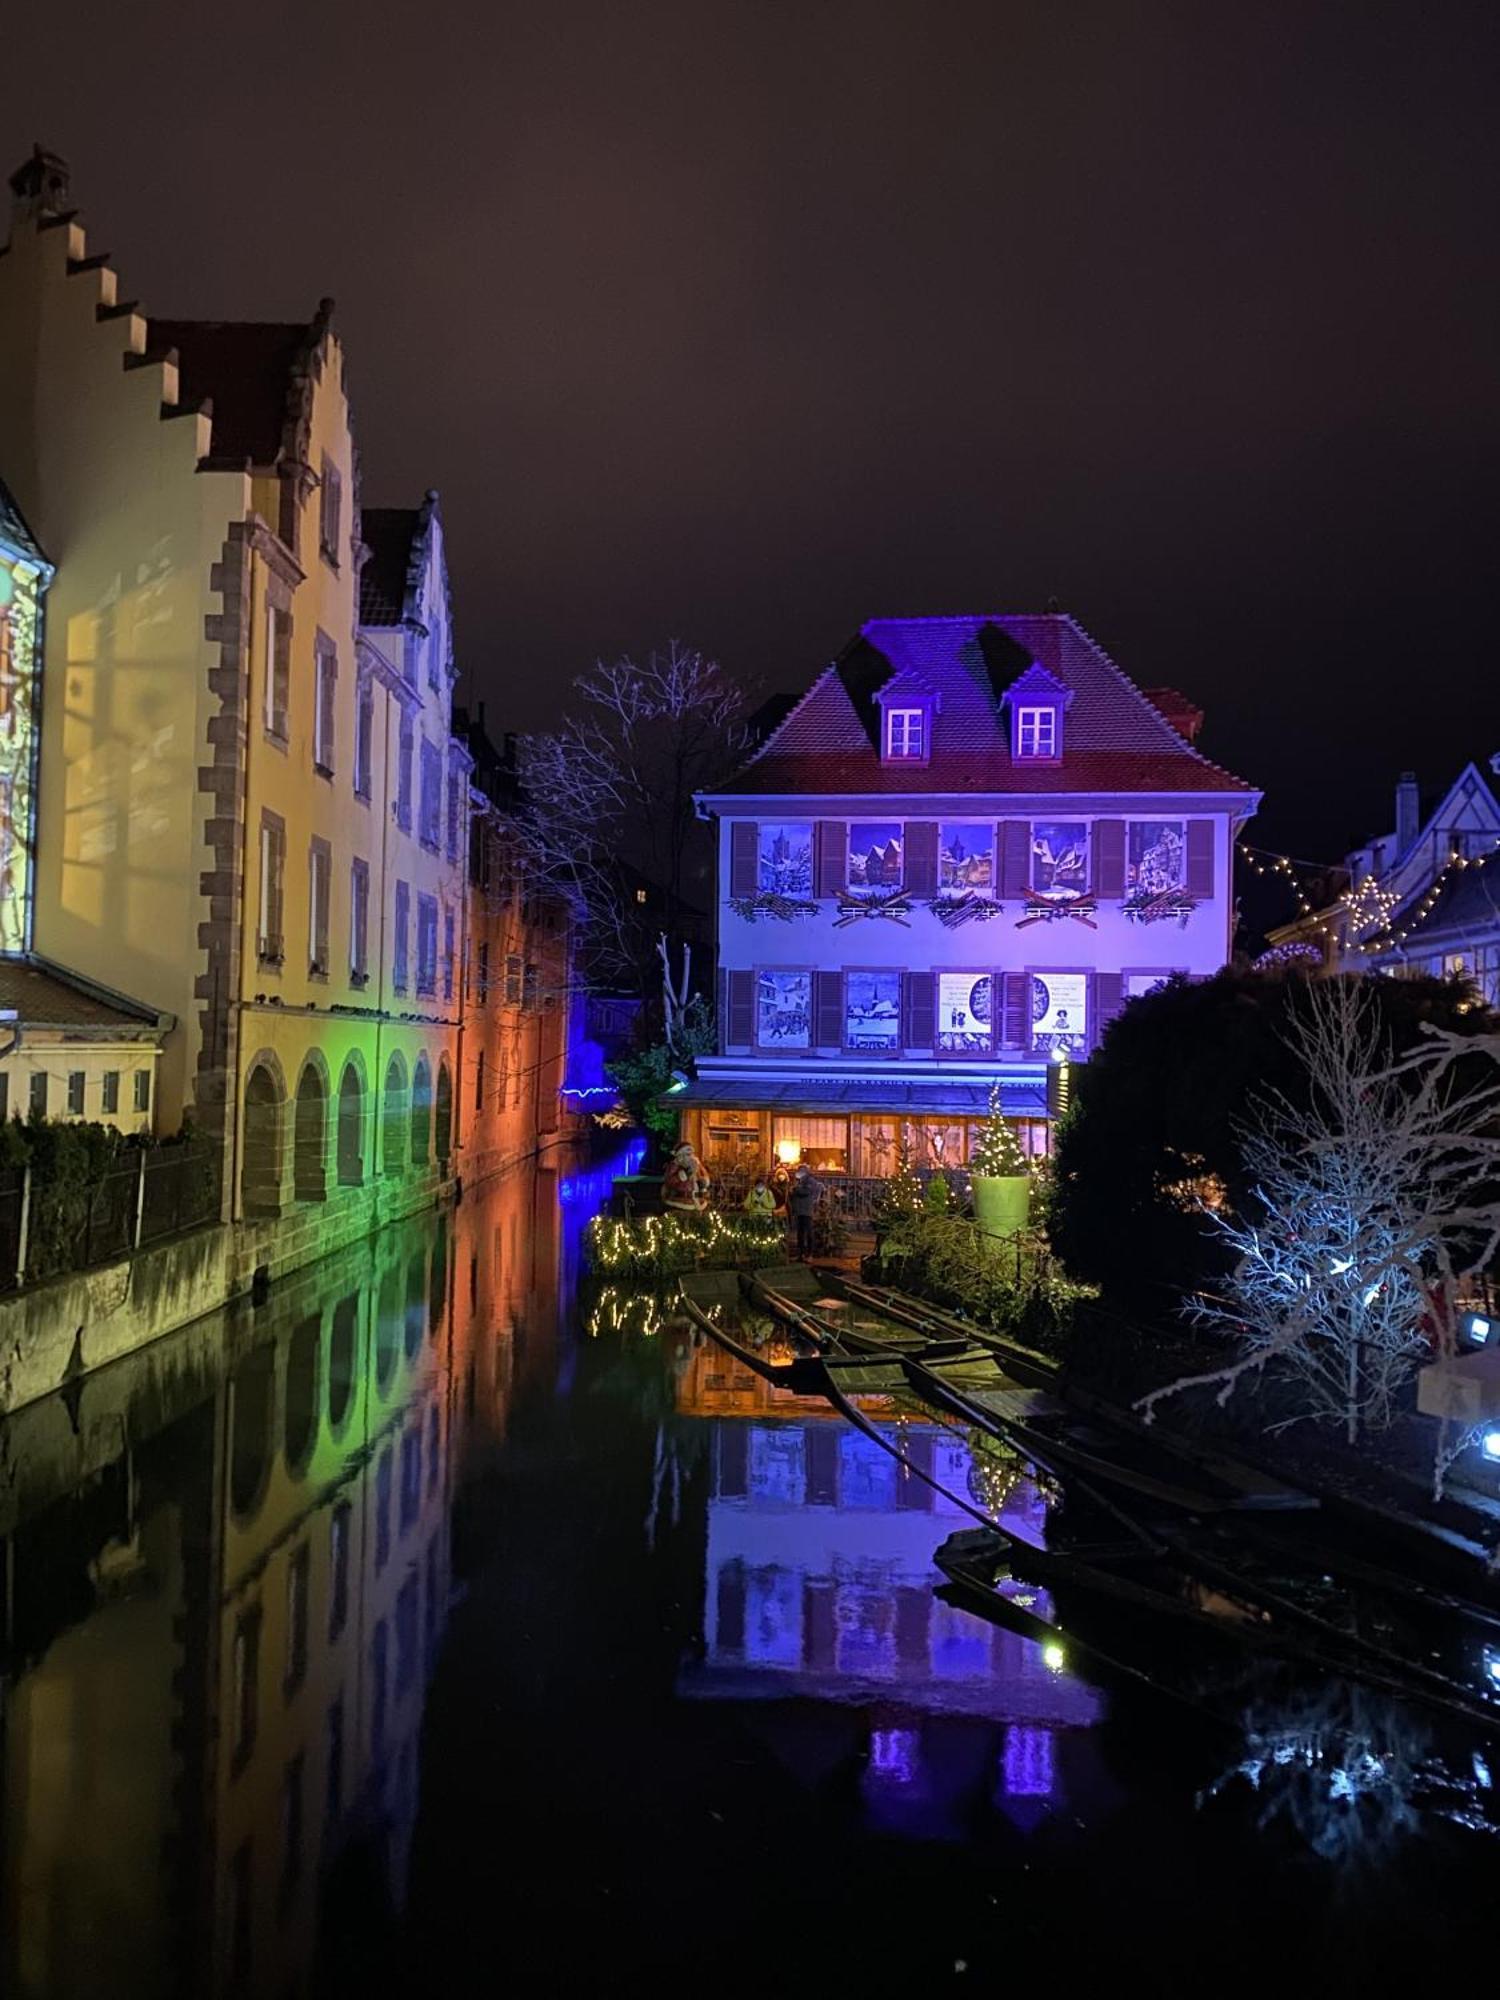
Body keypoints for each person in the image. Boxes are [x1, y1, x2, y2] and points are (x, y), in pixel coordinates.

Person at [787, 1162, 825, 1258]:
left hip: (807, 1210)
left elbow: (806, 1192)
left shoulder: (810, 1181)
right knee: (800, 1233)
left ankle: (809, 1253)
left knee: (808, 1232)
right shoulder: (799, 1181)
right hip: (799, 1210)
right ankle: (801, 1253)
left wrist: (795, 1189)